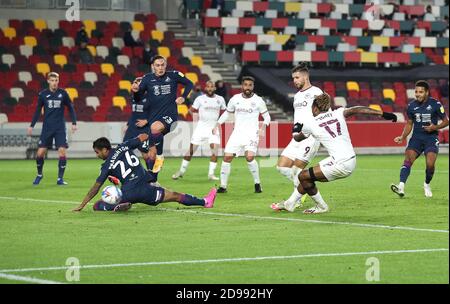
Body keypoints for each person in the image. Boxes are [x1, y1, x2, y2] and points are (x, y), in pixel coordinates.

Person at [272, 93, 398, 214]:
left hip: (341, 164)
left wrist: (295, 129)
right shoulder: (338, 113)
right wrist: (382, 113)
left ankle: (321, 206)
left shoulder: (311, 124)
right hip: (348, 159)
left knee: (303, 176)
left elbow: (297, 138)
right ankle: (290, 203)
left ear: (315, 108)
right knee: (306, 176)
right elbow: (357, 109)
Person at [72, 134, 217, 212]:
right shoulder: (124, 146)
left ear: (105, 150)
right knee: (175, 196)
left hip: (128, 192)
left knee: (97, 205)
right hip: (146, 188)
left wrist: (82, 205)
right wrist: (150, 147)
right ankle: (205, 202)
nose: (97, 155)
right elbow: (143, 136)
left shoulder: (105, 166)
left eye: (97, 152)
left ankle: (116, 206)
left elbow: (95, 188)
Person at [131, 55, 194, 179]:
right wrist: (136, 91)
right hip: (154, 118)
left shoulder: (173, 75)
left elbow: (189, 84)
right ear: (153, 67)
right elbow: (138, 99)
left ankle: (161, 155)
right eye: (157, 65)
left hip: (170, 117)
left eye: (162, 65)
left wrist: (183, 96)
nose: (160, 68)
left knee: (155, 129)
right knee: (150, 155)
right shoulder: (147, 79)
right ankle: (152, 180)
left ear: (165, 65)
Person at [391, 80, 449, 198]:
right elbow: (409, 124)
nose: (417, 94)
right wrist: (403, 137)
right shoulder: (411, 106)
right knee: (408, 159)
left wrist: (435, 127)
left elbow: (446, 121)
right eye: (416, 92)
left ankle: (426, 184)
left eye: (420, 92)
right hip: (416, 138)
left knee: (430, 164)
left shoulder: (435, 104)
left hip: (431, 138)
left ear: (427, 92)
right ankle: (401, 186)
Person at [277, 62, 323, 208]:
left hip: (311, 137)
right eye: (293, 78)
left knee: (297, 170)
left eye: (297, 77)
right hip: (297, 137)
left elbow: (324, 113)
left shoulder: (317, 92)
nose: (295, 81)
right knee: (282, 167)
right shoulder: (297, 96)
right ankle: (304, 186)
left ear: (305, 77)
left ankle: (293, 202)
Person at [216, 76, 271, 193]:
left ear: (253, 86)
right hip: (237, 134)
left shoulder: (258, 100)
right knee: (227, 157)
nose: (247, 87)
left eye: (250, 85)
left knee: (249, 157)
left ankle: (257, 183)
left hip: (252, 134)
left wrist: (263, 127)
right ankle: (223, 186)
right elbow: (227, 113)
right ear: (242, 86)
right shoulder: (235, 99)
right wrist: (218, 124)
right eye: (245, 85)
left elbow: (267, 117)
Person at [27, 72, 77, 185]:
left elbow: (71, 108)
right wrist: (31, 125)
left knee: (62, 152)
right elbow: (37, 111)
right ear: (48, 81)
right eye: (52, 80)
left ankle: (60, 179)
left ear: (58, 81)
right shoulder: (43, 94)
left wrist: (74, 122)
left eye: (56, 81)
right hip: (47, 128)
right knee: (40, 153)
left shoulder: (63, 93)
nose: (54, 83)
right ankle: (39, 174)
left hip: (60, 127)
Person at [172, 81, 226, 181]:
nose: (210, 88)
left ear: (214, 88)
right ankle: (181, 172)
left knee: (214, 151)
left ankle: (211, 174)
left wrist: (219, 122)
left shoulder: (220, 99)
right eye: (208, 87)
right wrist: (195, 118)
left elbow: (225, 112)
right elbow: (190, 110)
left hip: (214, 129)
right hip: (201, 128)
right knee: (191, 151)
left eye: (212, 87)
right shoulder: (200, 99)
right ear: (205, 88)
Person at [122, 77, 154, 175]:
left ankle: (150, 175)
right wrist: (127, 124)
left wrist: (146, 121)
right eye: (135, 82)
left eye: (138, 83)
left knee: (145, 154)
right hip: (132, 128)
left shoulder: (150, 98)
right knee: (124, 150)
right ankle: (129, 173)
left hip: (144, 129)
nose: (136, 84)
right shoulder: (133, 97)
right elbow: (133, 113)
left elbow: (157, 113)